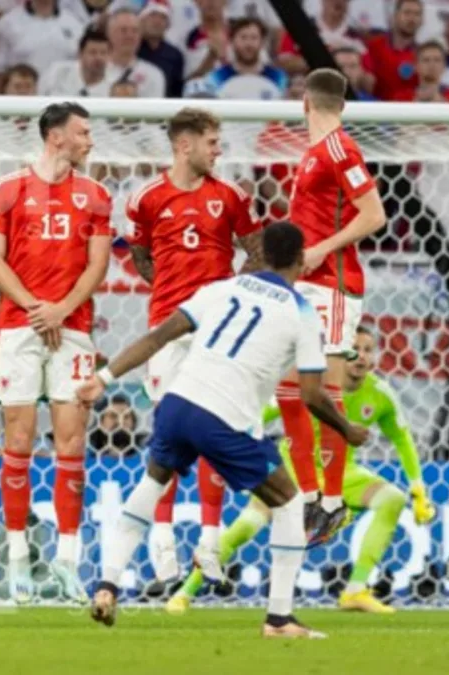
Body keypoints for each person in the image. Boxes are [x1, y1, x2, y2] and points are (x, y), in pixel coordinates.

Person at [80, 221, 367, 639]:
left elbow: (159, 336)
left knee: (153, 482)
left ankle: (106, 585)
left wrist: (103, 378)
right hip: (223, 418)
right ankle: (280, 619)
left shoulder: (220, 289)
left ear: (261, 254)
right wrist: (345, 428)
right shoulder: (302, 312)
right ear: (302, 261)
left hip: (177, 404)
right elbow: (311, 395)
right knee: (288, 503)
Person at [167, 325, 436, 614]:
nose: (361, 357)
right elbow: (256, 414)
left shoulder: (380, 394)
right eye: (354, 349)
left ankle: (355, 591)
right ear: (338, 353)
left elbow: (402, 440)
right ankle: (186, 591)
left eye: (368, 350)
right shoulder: (310, 386)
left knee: (393, 499)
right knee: (247, 526)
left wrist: (418, 490)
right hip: (292, 473)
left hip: (342, 475)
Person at [0, 102, 113, 604]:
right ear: (56, 137)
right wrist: (39, 308)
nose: (90, 140)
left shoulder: (97, 195)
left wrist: (61, 311)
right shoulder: (6, 189)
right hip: (19, 326)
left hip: (73, 329)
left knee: (72, 443)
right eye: (83, 132)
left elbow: (97, 266)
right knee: (18, 438)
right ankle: (18, 562)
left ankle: (67, 560)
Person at [124, 107, 264, 585]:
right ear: (185, 145)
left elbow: (258, 251)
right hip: (166, 330)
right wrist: (167, 293)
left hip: (216, 331)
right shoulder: (147, 198)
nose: (218, 150)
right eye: (211, 142)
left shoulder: (231, 196)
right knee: (168, 435)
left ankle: (209, 543)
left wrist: (227, 298)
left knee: (212, 431)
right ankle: (162, 547)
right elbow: (140, 254)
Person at [277, 68, 386, 542]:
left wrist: (323, 249)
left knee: (324, 390)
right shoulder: (312, 155)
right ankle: (308, 496)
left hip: (334, 286)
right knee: (291, 391)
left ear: (306, 102)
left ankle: (334, 498)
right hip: (304, 286)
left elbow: (375, 214)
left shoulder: (341, 148)